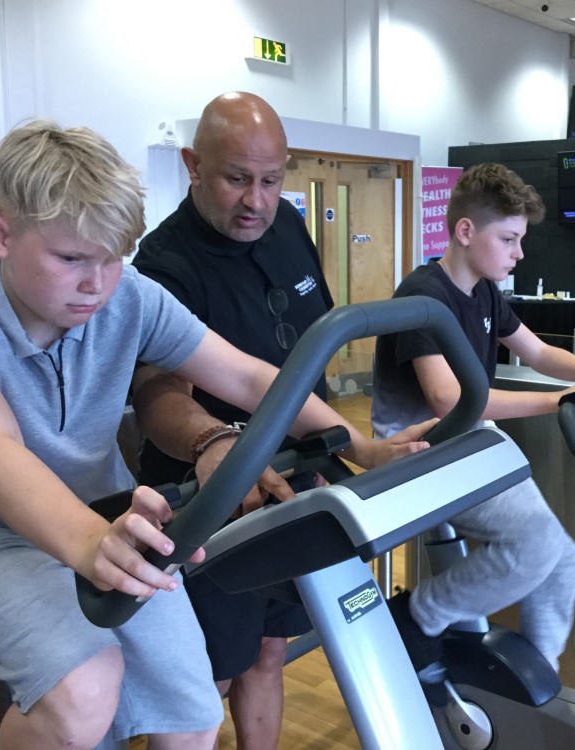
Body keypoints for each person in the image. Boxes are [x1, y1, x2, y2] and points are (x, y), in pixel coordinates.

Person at [0, 120, 430, 750]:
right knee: (84, 693)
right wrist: (89, 541)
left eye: (111, 258)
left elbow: (248, 376)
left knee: (194, 707)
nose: (97, 285)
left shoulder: (127, 296)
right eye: (71, 259)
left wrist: (357, 443)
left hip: (109, 520)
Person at [372, 162, 575, 673]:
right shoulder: (422, 298)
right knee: (536, 545)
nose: (519, 253)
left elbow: (539, 353)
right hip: (414, 453)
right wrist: (561, 401)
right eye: (509, 239)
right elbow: (447, 401)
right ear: (465, 231)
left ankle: (539, 681)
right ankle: (417, 616)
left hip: (465, 443)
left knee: (561, 559)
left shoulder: (483, 292)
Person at [129, 91, 332, 749]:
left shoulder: (289, 226)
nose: (256, 200)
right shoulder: (164, 265)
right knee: (204, 681)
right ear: (192, 164)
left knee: (270, 650)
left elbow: (309, 351)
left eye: (271, 180)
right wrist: (213, 443)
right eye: (236, 179)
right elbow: (159, 396)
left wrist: (331, 452)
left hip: (293, 482)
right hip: (211, 501)